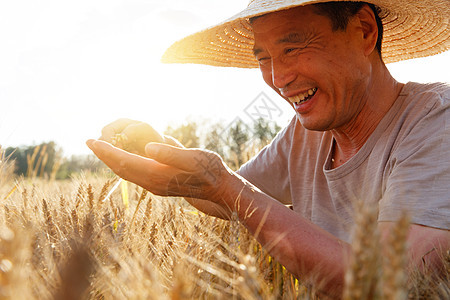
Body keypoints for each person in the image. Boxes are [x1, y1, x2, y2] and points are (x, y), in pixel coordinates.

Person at [87, 0, 450, 297]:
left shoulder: (436, 122)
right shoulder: (306, 133)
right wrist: (158, 146)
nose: (278, 79)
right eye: (264, 58)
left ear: (364, 32)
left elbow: (389, 281)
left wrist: (226, 186)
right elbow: (220, 194)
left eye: (292, 48)